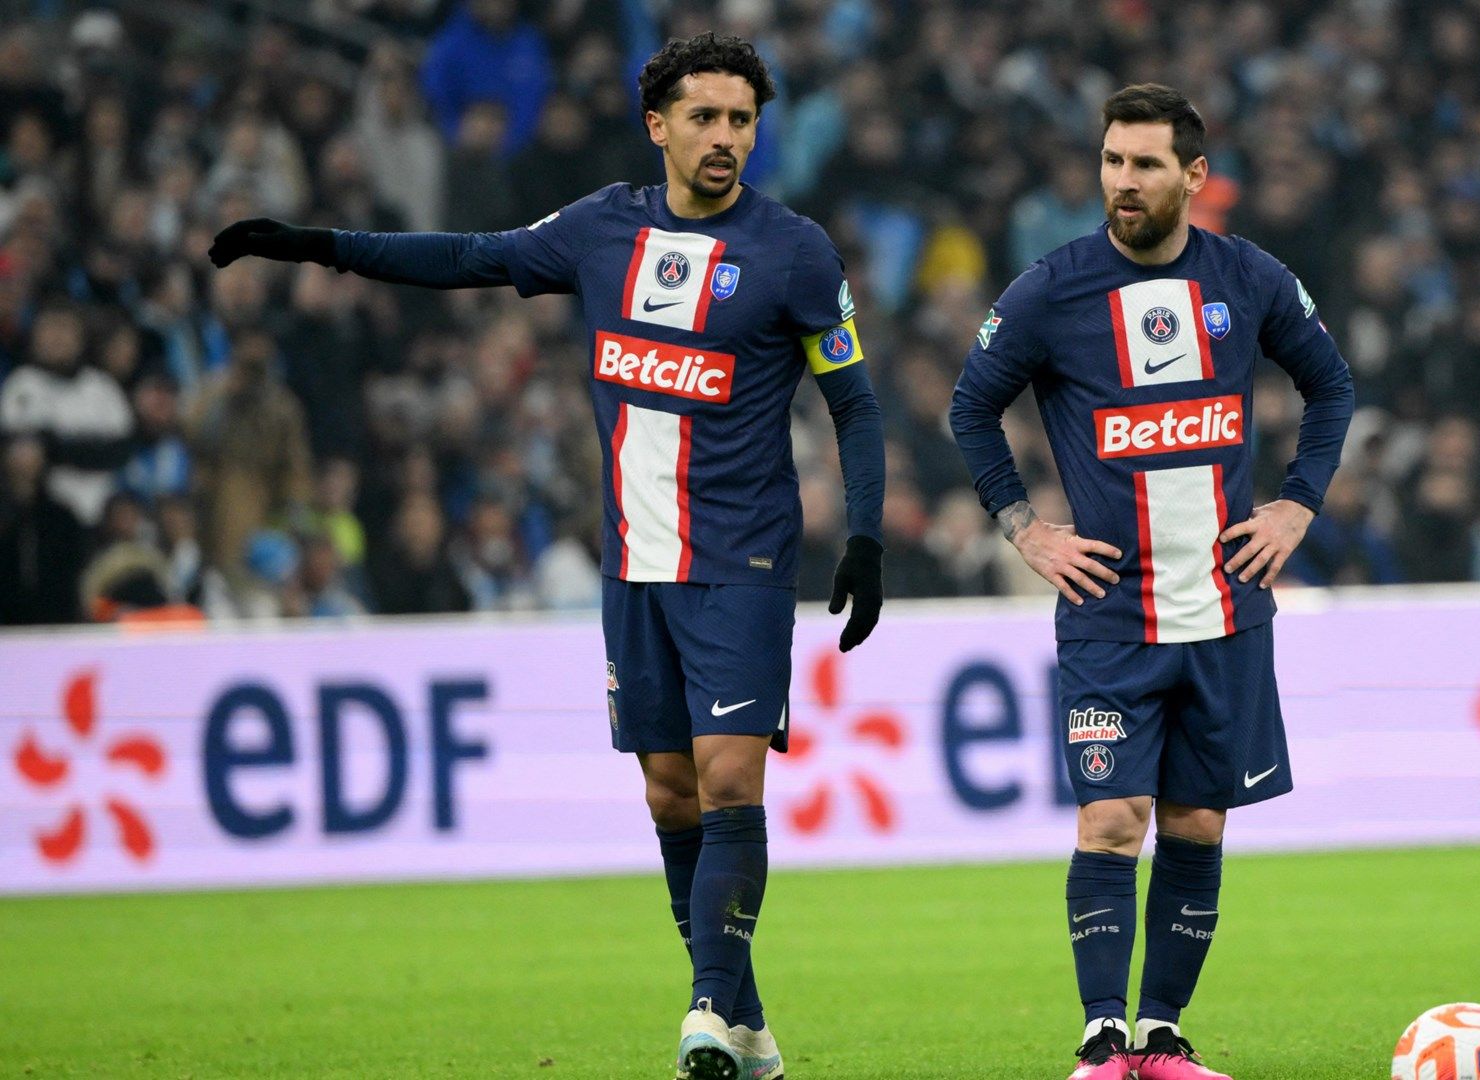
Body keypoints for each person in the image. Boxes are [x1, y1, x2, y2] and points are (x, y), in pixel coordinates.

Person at [208, 32, 886, 1080]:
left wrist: (868, 533)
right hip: (632, 561)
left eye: (741, 119)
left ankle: (705, 1010)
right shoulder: (600, 230)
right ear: (656, 124)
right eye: (703, 117)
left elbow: (856, 403)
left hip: (742, 560)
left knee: (727, 779)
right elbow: (467, 257)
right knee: (668, 793)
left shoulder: (796, 250)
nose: (724, 138)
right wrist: (322, 244)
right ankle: (747, 1025)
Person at [949, 84, 1353, 1080]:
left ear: (1194, 177)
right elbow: (970, 407)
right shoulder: (1052, 291)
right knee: (1112, 818)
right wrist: (1023, 527)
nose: (1121, 182)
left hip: (1224, 607)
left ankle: (1164, 1036)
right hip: (1110, 614)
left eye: (1144, 165)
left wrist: (1298, 503)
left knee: (1196, 820)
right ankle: (1100, 1039)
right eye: (1111, 162)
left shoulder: (1249, 279)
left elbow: (1331, 382)